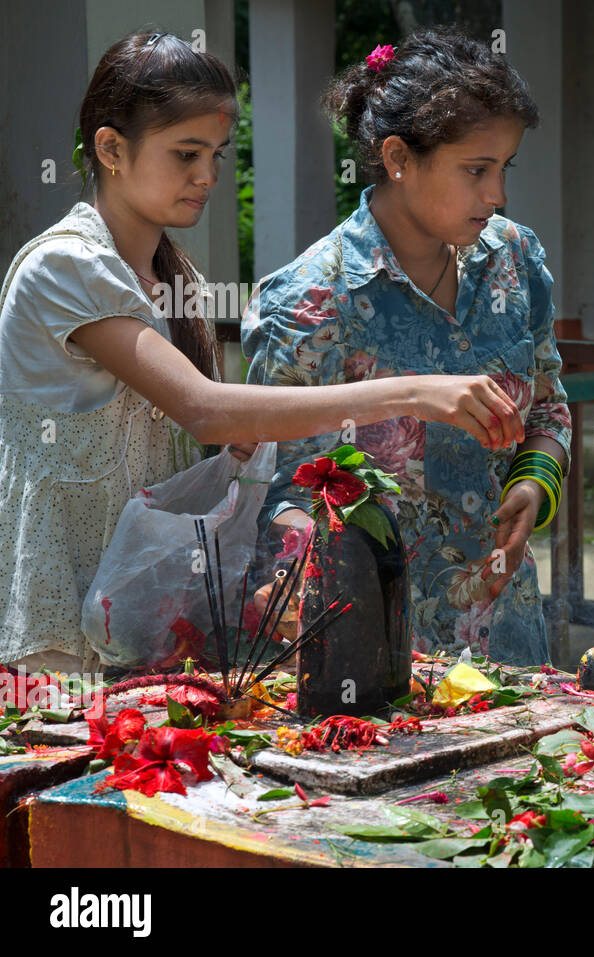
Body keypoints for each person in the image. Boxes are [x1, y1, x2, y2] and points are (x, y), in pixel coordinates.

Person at [0, 33, 521, 673]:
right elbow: (202, 407)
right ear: (110, 148)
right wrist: (415, 392)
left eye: (216, 154)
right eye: (186, 154)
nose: (208, 176)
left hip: (136, 609)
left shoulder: (171, 274)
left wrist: (234, 454)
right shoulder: (65, 266)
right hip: (58, 623)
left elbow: (204, 432)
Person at [242, 29, 570, 666]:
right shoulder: (311, 298)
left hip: (508, 635)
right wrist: (300, 568)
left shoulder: (516, 260)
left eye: (504, 168)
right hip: (371, 652)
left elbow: (548, 412)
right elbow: (280, 488)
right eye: (477, 170)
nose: (497, 194)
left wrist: (532, 488)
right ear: (398, 156)